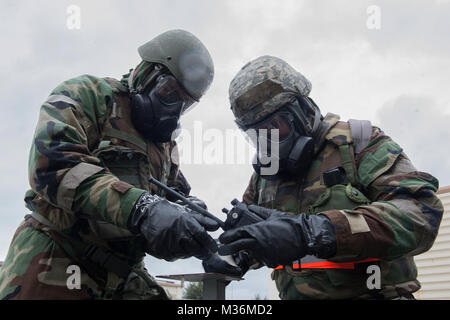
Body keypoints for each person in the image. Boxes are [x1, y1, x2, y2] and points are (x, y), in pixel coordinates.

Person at [0, 29, 220, 300]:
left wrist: (193, 231)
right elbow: (53, 165)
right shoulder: (90, 95)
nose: (173, 111)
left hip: (121, 275)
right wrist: (141, 208)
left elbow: (164, 216)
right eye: (169, 94)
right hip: (56, 259)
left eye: (184, 104)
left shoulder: (165, 147)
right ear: (145, 72)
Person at [217, 55, 444, 300]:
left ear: (302, 109)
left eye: (275, 125)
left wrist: (317, 231)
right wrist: (235, 255)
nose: (268, 140)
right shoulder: (266, 175)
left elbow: (421, 213)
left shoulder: (360, 144)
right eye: (257, 133)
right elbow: (257, 236)